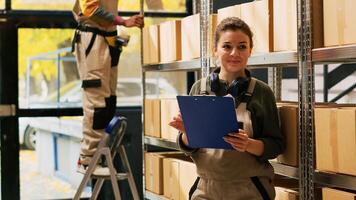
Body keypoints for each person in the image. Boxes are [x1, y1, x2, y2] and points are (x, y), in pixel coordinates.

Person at [169, 17, 285, 200]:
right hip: (206, 190)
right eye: (226, 46)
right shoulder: (199, 89)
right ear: (215, 50)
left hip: (249, 190)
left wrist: (248, 145)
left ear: (250, 50)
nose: (234, 53)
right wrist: (187, 133)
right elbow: (189, 148)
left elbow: (276, 146)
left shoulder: (262, 92)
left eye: (241, 46)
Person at [72, 0, 144, 175]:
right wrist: (123, 21)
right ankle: (87, 159)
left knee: (108, 101)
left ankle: (98, 155)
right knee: (97, 102)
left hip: (107, 40)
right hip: (93, 39)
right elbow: (90, 9)